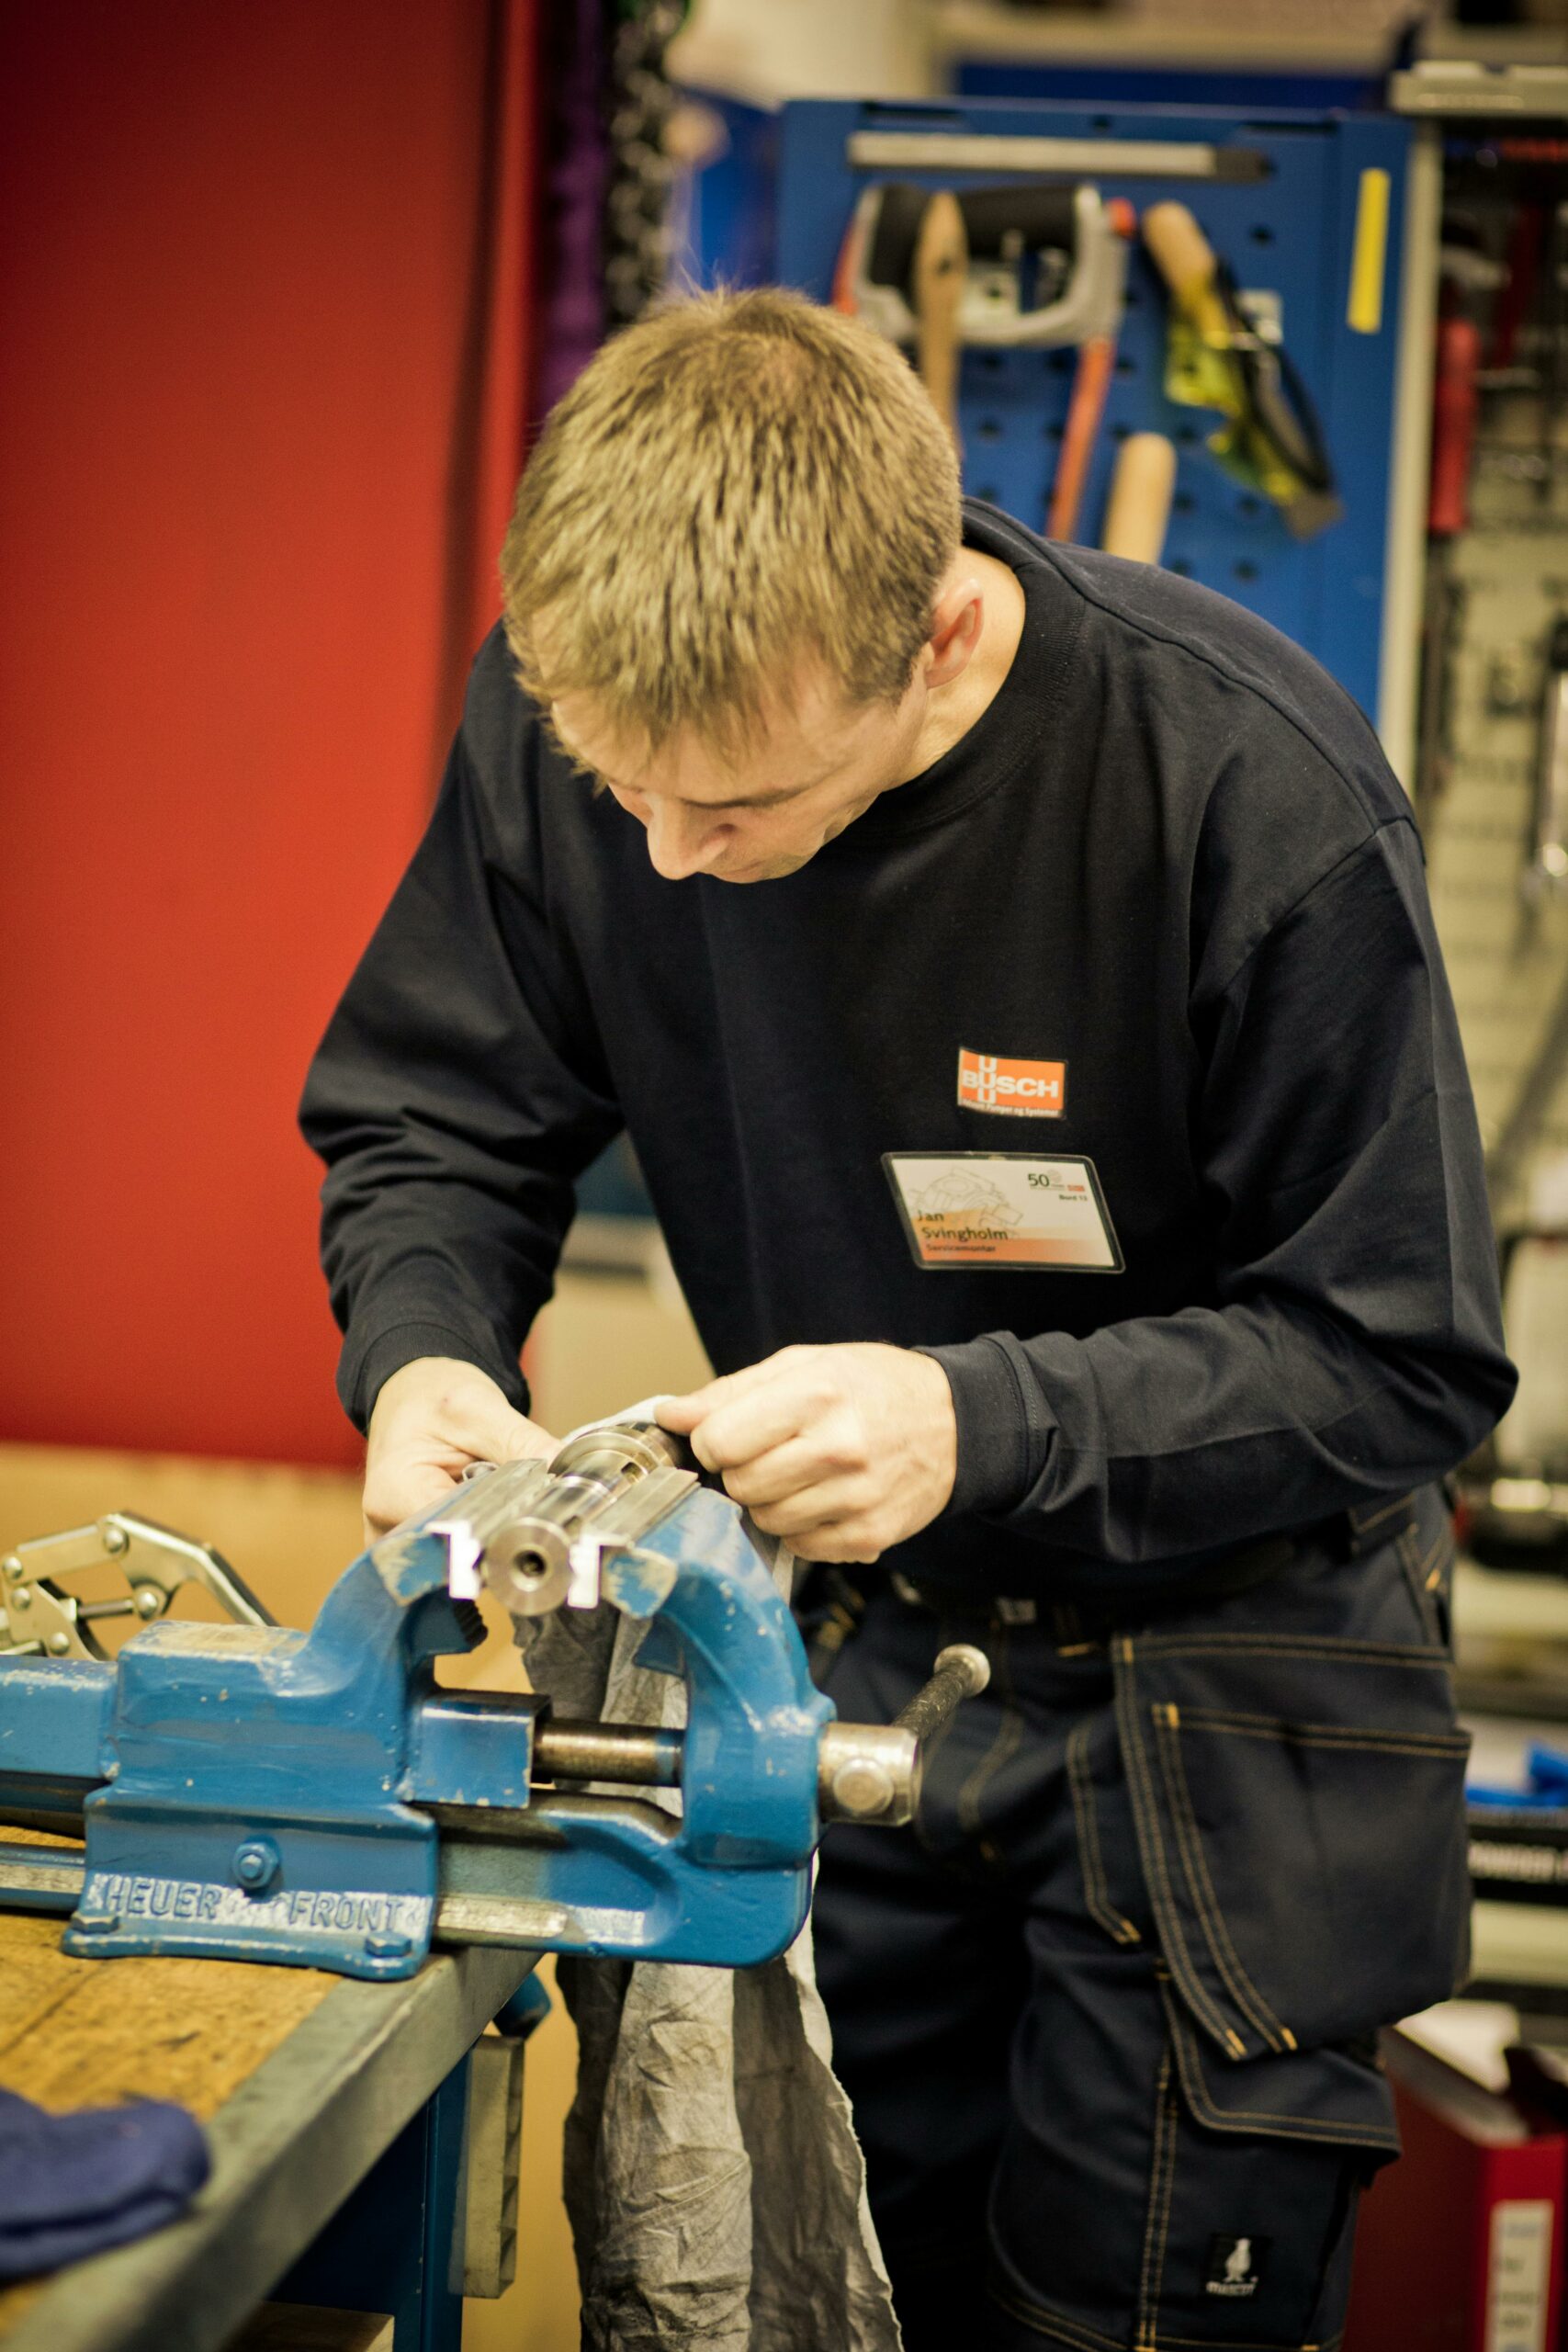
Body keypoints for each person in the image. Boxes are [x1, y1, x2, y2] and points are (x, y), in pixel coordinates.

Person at [300, 286, 1514, 2350]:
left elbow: (1393, 1352)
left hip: (1218, 1700)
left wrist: (983, 1422)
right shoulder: (583, 714)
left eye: (737, 810)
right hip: (852, 1655)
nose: (670, 862)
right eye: (626, 799)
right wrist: (424, 1350)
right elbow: (435, 1106)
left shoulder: (1246, 789)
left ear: (938, 634)